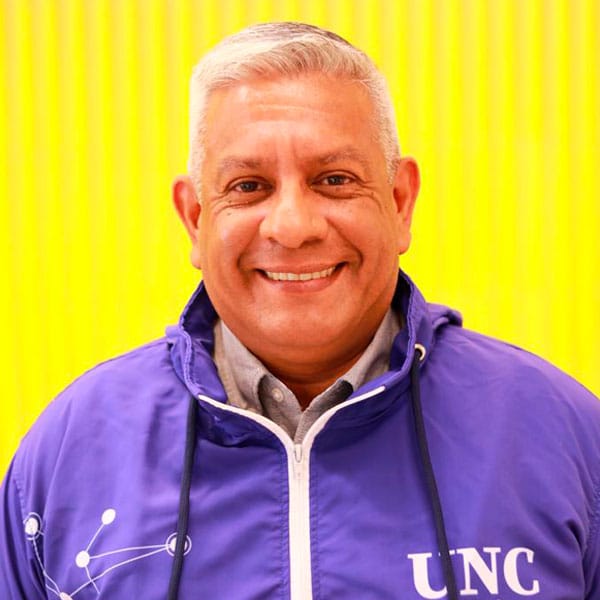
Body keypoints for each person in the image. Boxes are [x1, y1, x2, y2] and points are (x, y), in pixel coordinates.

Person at [1, 21, 599, 600]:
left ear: (399, 202)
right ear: (195, 218)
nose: (292, 226)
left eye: (334, 179)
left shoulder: (561, 436)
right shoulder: (69, 456)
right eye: (248, 186)